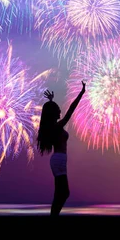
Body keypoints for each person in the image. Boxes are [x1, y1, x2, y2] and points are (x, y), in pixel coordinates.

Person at [36, 81, 86, 216]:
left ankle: (54, 217)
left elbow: (61, 111)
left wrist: (51, 101)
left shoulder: (54, 127)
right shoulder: (57, 127)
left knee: (61, 192)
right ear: (53, 113)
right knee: (63, 192)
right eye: (57, 110)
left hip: (59, 160)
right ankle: (53, 217)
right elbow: (71, 111)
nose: (60, 111)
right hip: (58, 160)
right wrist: (81, 93)